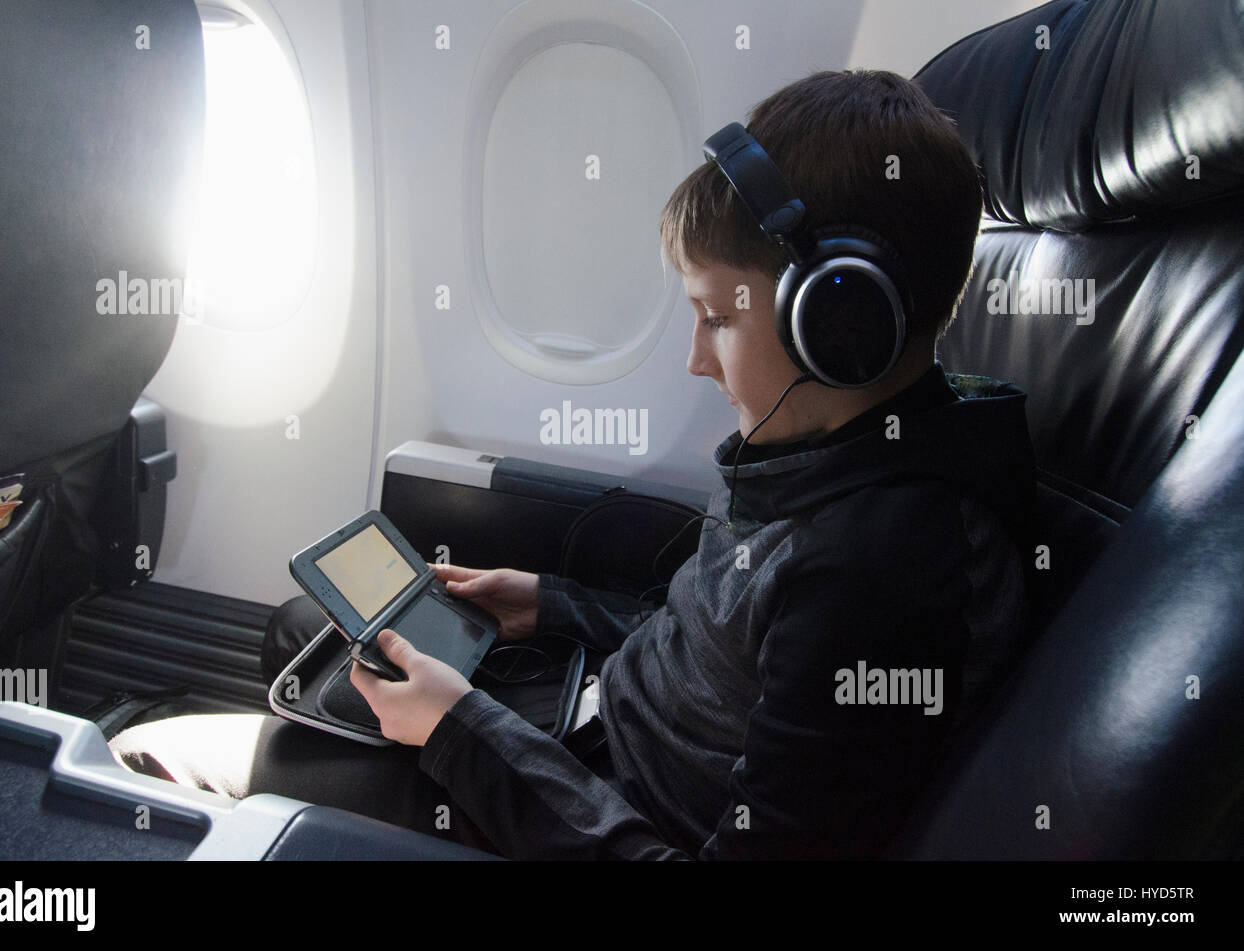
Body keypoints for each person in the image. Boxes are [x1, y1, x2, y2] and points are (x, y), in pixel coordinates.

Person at [110, 68, 1036, 859]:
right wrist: (549, 603)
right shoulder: (832, 451)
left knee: (153, 764)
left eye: (717, 315)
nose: (695, 358)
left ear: (837, 320)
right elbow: (719, 649)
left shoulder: (880, 572)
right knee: (307, 633)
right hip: (590, 745)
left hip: (593, 814)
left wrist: (461, 732)